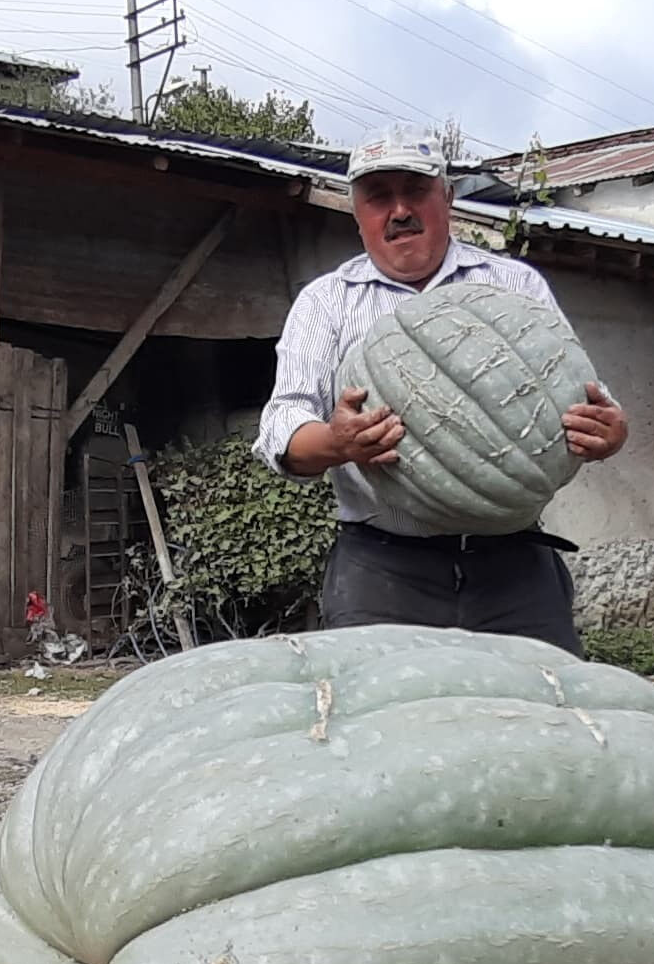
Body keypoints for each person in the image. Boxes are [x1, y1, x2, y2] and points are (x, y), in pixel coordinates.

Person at [255, 124, 628, 653]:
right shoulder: (325, 302)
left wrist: (611, 429)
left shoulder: (514, 286)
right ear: (357, 212)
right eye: (379, 197)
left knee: (538, 724)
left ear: (447, 198)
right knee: (385, 729)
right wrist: (336, 444)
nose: (400, 210)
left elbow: (591, 399)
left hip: (516, 567)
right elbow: (280, 427)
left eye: (416, 191)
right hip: (383, 569)